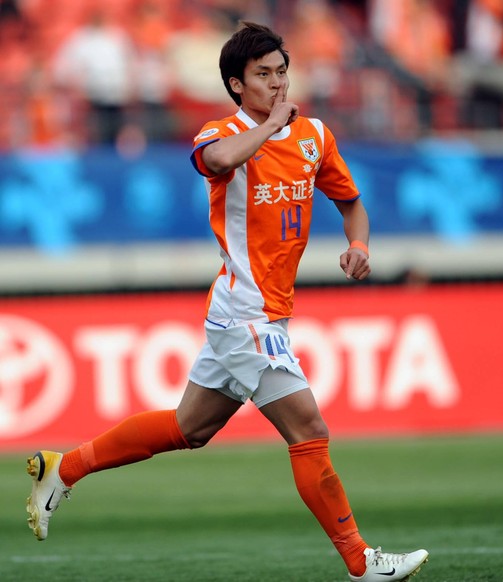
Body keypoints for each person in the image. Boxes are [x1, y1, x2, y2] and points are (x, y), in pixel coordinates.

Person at [26, 21, 428, 582]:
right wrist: (267, 127)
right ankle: (362, 563)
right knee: (308, 429)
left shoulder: (314, 135)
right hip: (246, 313)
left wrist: (358, 244)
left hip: (260, 312)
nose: (277, 84)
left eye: (282, 72)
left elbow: (352, 203)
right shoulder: (220, 133)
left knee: (188, 428)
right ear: (237, 86)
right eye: (263, 76)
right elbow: (217, 164)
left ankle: (62, 468)